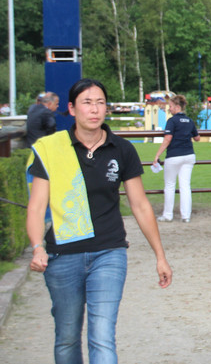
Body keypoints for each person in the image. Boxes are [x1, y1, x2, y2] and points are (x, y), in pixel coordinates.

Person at [26, 78, 172, 364]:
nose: (94, 110)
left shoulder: (122, 149)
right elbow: (36, 207)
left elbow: (140, 205)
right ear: (71, 108)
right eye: (86, 103)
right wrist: (36, 247)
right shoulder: (50, 148)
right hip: (62, 254)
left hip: (109, 251)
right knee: (67, 338)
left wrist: (160, 255)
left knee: (102, 336)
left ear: (107, 109)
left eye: (100, 103)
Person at [153, 95, 201, 223]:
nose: (169, 109)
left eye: (171, 106)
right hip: (189, 155)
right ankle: (186, 216)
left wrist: (157, 155)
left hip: (174, 155)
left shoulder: (172, 121)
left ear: (177, 107)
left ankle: (168, 215)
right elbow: (197, 138)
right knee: (185, 186)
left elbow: (167, 139)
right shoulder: (190, 121)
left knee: (169, 185)